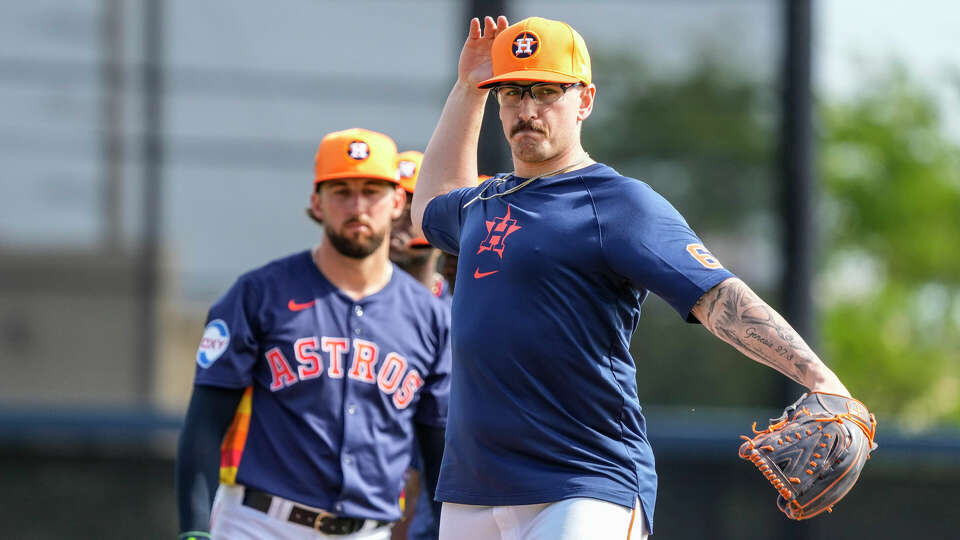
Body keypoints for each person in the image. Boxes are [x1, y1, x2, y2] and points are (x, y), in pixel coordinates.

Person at [409, 16, 853, 540]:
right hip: (473, 487)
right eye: (511, 93)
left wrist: (822, 380)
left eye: (546, 91)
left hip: (583, 482)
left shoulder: (617, 203)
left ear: (585, 101)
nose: (526, 110)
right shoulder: (484, 200)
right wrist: (468, 89)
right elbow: (426, 211)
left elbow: (718, 298)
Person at [175, 128, 451, 540]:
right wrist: (195, 530)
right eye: (341, 190)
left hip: (370, 532)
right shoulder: (260, 295)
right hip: (261, 524)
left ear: (397, 202)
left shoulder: (429, 317)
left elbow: (439, 450)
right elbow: (204, 425)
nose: (357, 205)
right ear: (316, 203)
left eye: (372, 190)